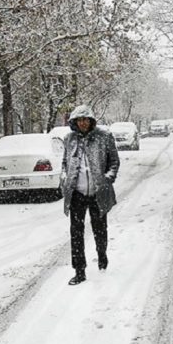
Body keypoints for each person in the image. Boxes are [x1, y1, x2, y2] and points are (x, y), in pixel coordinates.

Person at [61, 105, 120, 286]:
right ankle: (79, 271)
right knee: (76, 234)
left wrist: (107, 179)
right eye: (79, 120)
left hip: (97, 193)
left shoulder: (104, 137)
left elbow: (114, 162)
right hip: (76, 193)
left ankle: (102, 254)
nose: (83, 123)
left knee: (99, 230)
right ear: (74, 122)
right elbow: (64, 163)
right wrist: (64, 179)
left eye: (86, 119)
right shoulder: (69, 139)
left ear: (92, 121)